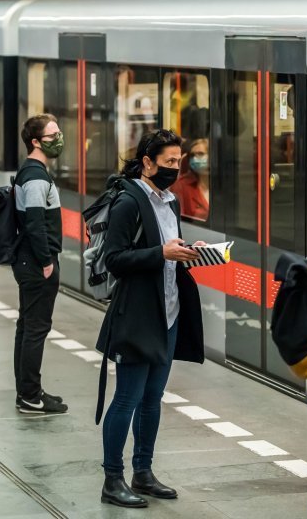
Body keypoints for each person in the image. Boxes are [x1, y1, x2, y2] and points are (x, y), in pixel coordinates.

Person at [95, 129, 206, 508]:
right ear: (147, 162)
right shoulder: (129, 202)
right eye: (169, 162)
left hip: (168, 312)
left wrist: (191, 250)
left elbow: (169, 248)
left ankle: (143, 472)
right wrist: (161, 253)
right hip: (138, 314)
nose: (175, 169)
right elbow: (115, 260)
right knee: (127, 397)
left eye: (179, 162)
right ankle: (113, 479)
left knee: (153, 398)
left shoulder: (171, 202)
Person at [13, 114, 67, 414]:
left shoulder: (35, 171)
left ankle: (28, 391)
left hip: (29, 261)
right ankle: (30, 396)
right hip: (36, 264)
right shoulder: (35, 176)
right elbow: (35, 222)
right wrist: (47, 261)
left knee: (27, 327)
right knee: (35, 328)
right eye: (52, 135)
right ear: (36, 141)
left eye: (59, 132)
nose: (59, 139)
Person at [170, 137, 209, 221]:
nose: (195, 158)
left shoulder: (222, 184)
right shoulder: (181, 185)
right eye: (192, 155)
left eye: (200, 154)